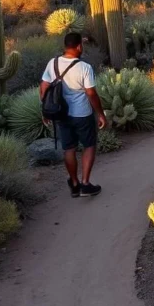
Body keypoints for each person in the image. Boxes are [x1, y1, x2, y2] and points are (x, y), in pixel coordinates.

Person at [40, 32, 108, 198]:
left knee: (69, 148)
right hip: (82, 114)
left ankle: (74, 183)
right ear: (79, 46)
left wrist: (45, 110)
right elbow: (91, 93)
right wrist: (101, 114)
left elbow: (43, 87)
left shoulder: (53, 63)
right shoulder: (84, 67)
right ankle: (85, 183)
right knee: (89, 145)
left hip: (61, 113)